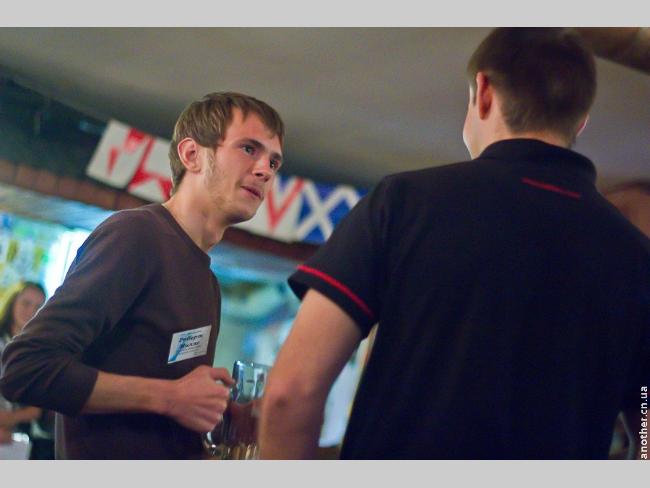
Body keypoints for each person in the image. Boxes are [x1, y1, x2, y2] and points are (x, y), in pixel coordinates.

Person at [259, 28, 650, 459]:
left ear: (483, 92)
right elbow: (647, 420)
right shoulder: (637, 258)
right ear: (580, 121)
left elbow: (290, 394)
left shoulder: (403, 204)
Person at [0, 92, 285, 459]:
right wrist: (170, 397)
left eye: (274, 162)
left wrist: (221, 416)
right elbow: (24, 367)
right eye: (248, 149)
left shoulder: (208, 282)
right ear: (191, 154)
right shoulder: (137, 235)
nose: (265, 170)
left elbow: (161, 408)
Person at [0, 282, 46, 455]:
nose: (31, 311)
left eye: (38, 307)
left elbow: (38, 407)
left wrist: (11, 418)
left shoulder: (39, 353)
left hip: (15, 440)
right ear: (13, 303)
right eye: (26, 303)